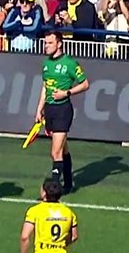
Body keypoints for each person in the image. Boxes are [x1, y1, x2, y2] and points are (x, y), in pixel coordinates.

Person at [35, 31, 89, 193]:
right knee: (63, 148)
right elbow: (45, 87)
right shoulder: (46, 64)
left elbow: (85, 84)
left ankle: (53, 188)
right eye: (45, 43)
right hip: (50, 110)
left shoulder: (69, 63)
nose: (46, 46)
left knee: (55, 151)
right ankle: (69, 181)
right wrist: (39, 109)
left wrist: (67, 93)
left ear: (59, 44)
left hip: (62, 110)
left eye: (50, 43)